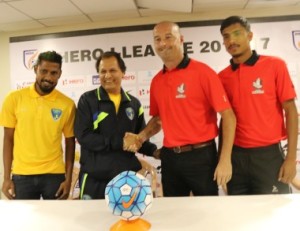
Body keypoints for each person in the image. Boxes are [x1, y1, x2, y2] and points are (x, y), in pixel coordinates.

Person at [124, 21, 236, 197]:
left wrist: (225, 159)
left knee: (208, 213)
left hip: (202, 157)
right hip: (171, 159)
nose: (162, 44)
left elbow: (228, 116)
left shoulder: (203, 72)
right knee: (174, 213)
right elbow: (158, 120)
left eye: (168, 37)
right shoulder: (156, 81)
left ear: (181, 39)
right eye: (157, 39)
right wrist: (140, 137)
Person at [218, 16, 298, 195]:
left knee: (273, 216)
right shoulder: (221, 77)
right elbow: (224, 122)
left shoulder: (275, 65)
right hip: (236, 158)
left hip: (268, 157)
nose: (231, 40)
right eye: (226, 36)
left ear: (250, 35)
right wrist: (223, 160)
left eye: (237, 34)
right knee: (239, 215)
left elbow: (291, 111)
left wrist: (291, 158)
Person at [74, 51, 157, 199]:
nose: (107, 76)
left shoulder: (134, 103)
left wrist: (156, 152)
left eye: (112, 70)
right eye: (102, 71)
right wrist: (120, 142)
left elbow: (138, 140)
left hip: (127, 179)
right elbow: (83, 136)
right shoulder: (88, 100)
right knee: (93, 221)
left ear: (123, 72)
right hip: (94, 180)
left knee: (127, 221)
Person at [0, 51, 76, 200]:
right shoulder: (14, 99)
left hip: (54, 175)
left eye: (54, 73)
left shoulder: (67, 104)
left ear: (60, 74)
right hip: (22, 175)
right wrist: (7, 177)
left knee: (57, 221)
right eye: (44, 71)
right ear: (35, 70)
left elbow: (70, 143)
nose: (48, 77)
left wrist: (68, 180)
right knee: (25, 222)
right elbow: (8, 140)